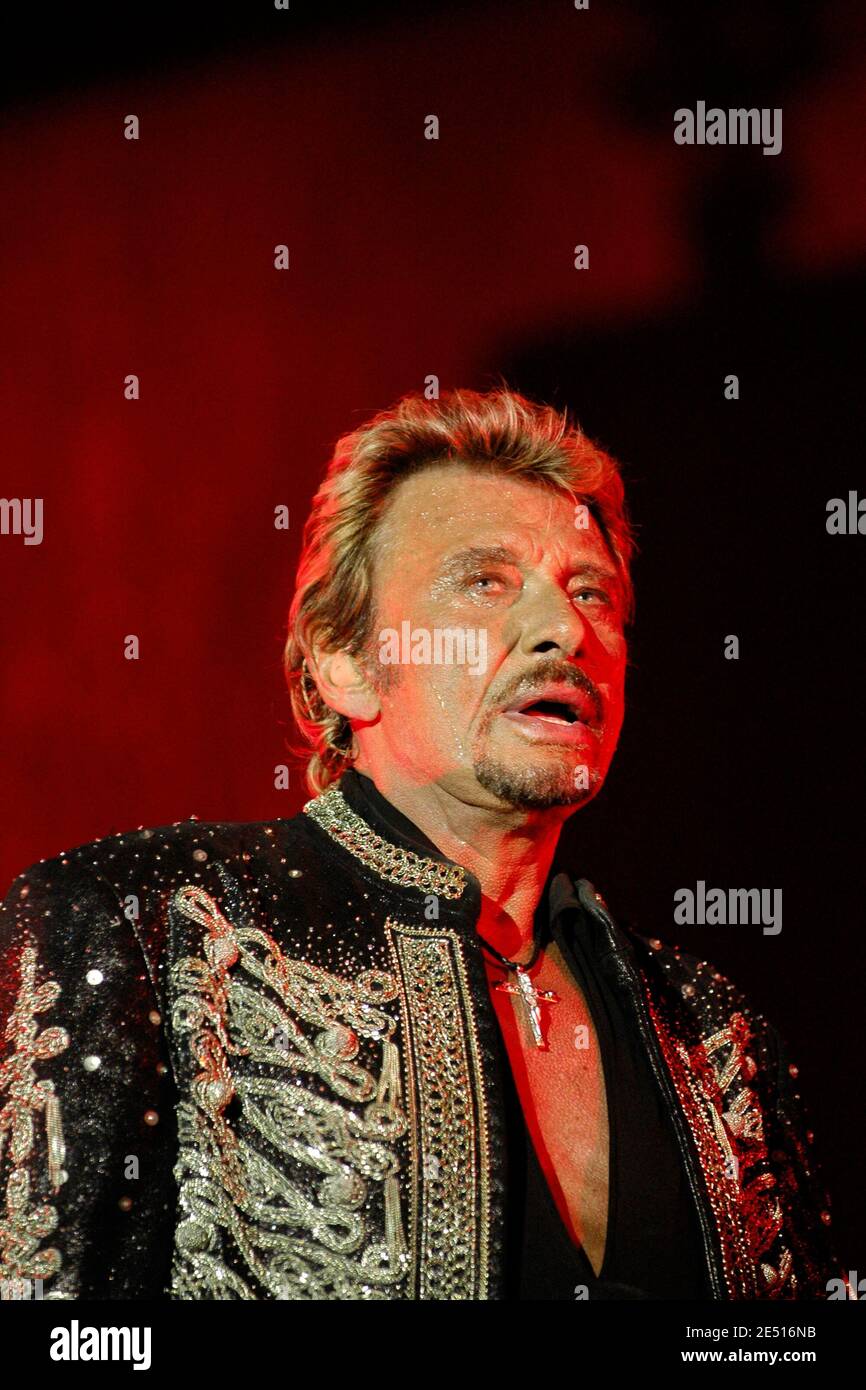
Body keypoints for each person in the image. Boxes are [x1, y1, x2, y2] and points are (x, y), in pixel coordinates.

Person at [0, 387, 842, 1300]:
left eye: (590, 590)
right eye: (485, 581)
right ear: (346, 658)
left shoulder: (712, 1028)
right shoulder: (150, 923)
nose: (566, 631)